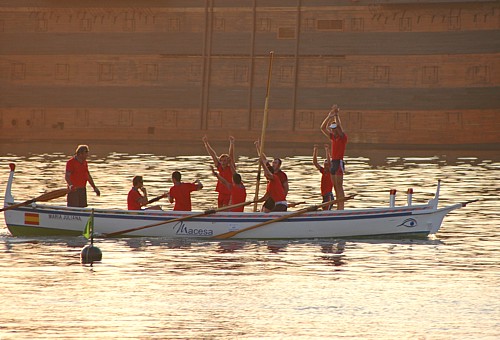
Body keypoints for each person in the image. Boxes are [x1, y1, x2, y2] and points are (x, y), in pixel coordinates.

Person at [320, 104, 347, 210]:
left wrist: (336, 116)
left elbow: (340, 127)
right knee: (335, 187)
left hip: (339, 162)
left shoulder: (342, 138)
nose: (333, 131)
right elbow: (322, 128)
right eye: (332, 129)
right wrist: (329, 116)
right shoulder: (332, 137)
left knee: (339, 187)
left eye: (334, 129)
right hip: (333, 163)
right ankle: (338, 207)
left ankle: (341, 208)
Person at [202, 135, 235, 208]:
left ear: (228, 161)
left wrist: (231, 143)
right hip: (221, 193)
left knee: (225, 209)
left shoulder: (231, 168)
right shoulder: (219, 167)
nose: (223, 163)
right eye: (221, 161)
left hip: (229, 193)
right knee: (219, 208)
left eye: (225, 161)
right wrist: (206, 143)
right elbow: (213, 155)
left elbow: (231, 155)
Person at [255, 140, 287, 212]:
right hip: (273, 199)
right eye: (273, 162)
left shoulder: (278, 176)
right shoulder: (269, 180)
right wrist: (258, 146)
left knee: (269, 211)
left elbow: (286, 188)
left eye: (275, 163)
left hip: (280, 202)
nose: (273, 164)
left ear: (279, 165)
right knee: (263, 210)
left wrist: (282, 197)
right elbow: (263, 159)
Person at [313, 144, 334, 210]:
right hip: (324, 195)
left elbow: (330, 162)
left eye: (327, 165)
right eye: (325, 165)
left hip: (329, 195)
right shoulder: (323, 171)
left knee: (327, 210)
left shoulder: (330, 172)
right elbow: (315, 163)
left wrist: (327, 151)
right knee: (325, 209)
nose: (325, 166)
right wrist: (315, 151)